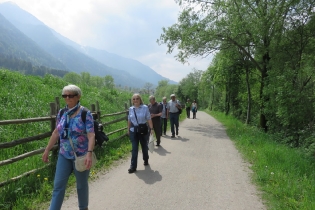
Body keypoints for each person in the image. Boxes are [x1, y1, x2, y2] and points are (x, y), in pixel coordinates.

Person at [42, 84, 95, 210]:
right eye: (64, 95)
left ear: (78, 96)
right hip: (64, 154)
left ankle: (83, 207)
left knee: (81, 185)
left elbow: (91, 135)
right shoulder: (62, 112)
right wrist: (47, 149)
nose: (67, 98)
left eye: (70, 95)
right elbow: (56, 132)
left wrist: (89, 154)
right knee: (58, 186)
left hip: (81, 155)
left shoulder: (85, 113)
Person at [127, 93, 154, 173]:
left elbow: (149, 118)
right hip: (133, 131)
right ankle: (133, 166)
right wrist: (128, 129)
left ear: (140, 99)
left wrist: (151, 128)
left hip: (143, 130)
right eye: (134, 99)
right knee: (134, 148)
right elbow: (129, 120)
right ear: (132, 100)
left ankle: (146, 159)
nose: (135, 100)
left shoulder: (145, 108)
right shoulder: (131, 109)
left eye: (137, 98)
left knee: (144, 147)